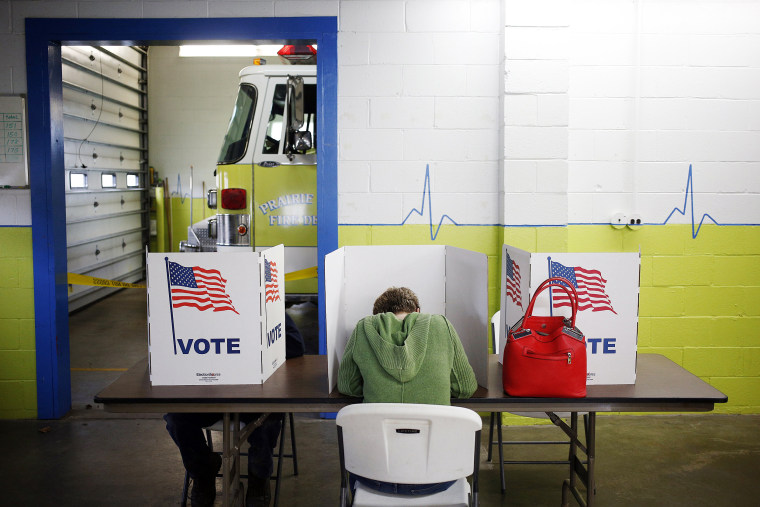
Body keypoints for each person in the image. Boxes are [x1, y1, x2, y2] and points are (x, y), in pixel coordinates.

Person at [337, 286, 478, 495]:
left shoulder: (364, 328)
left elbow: (347, 386)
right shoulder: (442, 325)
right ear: (417, 311)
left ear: (379, 316)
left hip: (373, 476)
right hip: (439, 476)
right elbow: (465, 388)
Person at [164, 313, 305, 507]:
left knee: (269, 420)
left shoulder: (266, 307)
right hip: (209, 395)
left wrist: (245, 344)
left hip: (255, 396)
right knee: (175, 418)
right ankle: (203, 471)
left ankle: (259, 477)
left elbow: (296, 345)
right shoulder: (198, 310)